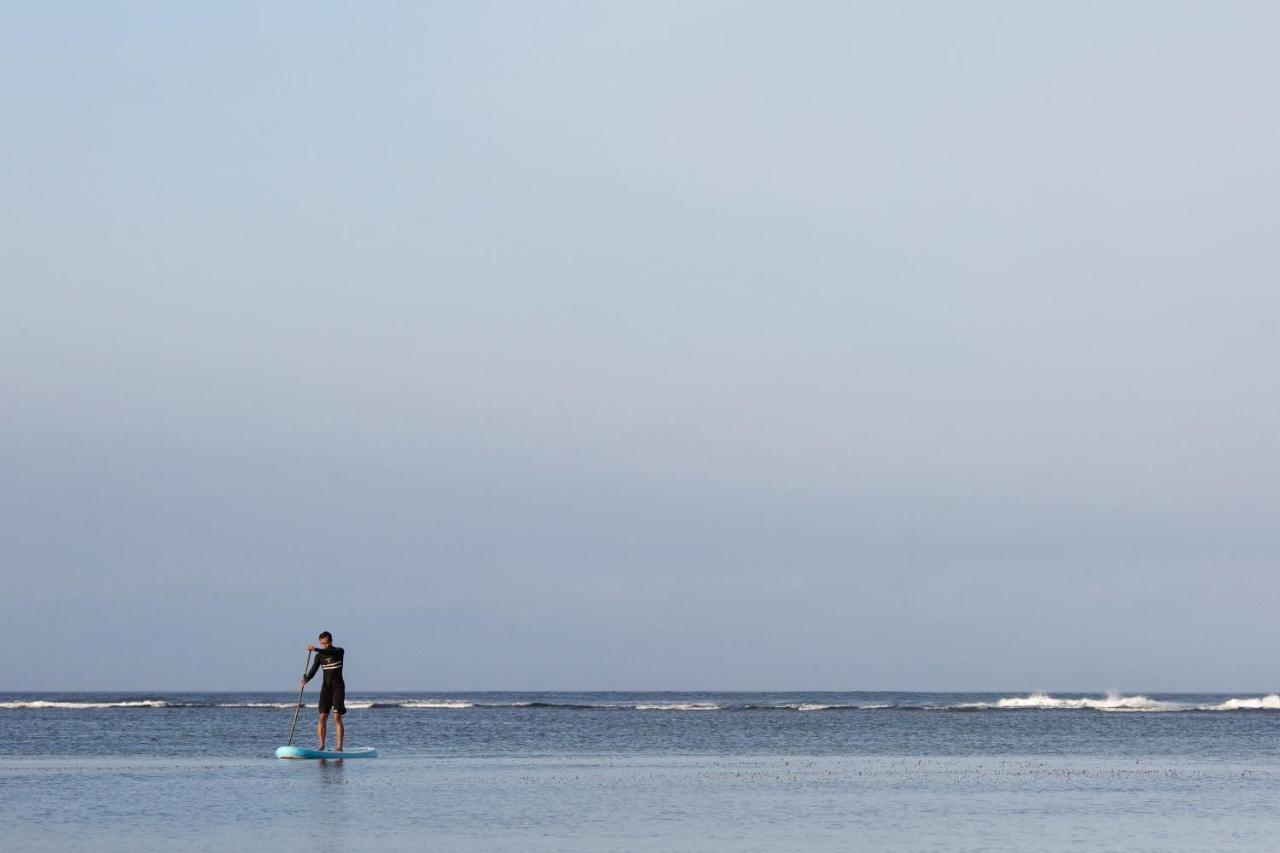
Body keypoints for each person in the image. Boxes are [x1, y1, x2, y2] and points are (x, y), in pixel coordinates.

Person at [300, 631, 346, 751]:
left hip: (338, 688)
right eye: (321, 644)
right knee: (322, 718)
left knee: (337, 717)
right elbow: (313, 671)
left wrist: (315, 649)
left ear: (330, 642)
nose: (323, 646)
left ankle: (339, 747)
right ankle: (321, 746)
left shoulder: (339, 651)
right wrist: (306, 680)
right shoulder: (319, 656)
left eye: (325, 643)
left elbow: (329, 651)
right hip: (325, 689)